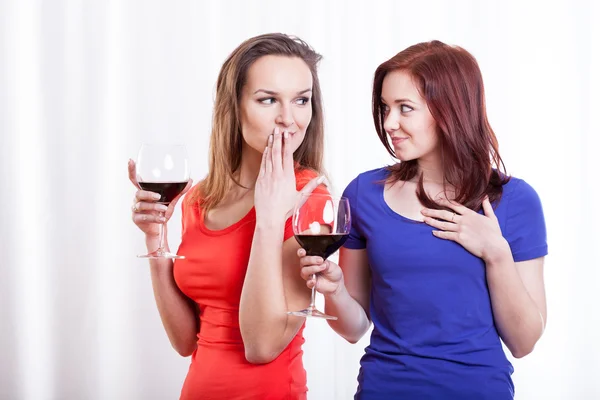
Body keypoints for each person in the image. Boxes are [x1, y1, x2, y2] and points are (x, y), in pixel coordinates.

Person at [298, 40, 548, 399]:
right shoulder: (362, 195)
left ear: (451, 110)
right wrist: (335, 290)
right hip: (384, 389)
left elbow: (524, 342)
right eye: (385, 108)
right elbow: (353, 329)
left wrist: (496, 252)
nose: (390, 123)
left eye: (405, 108)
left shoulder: (515, 201)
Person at [128, 33, 328, 400]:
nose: (289, 119)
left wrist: (268, 219)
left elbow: (262, 346)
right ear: (233, 107)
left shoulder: (309, 199)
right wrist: (156, 238)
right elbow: (186, 341)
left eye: (301, 100)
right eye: (269, 100)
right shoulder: (201, 198)